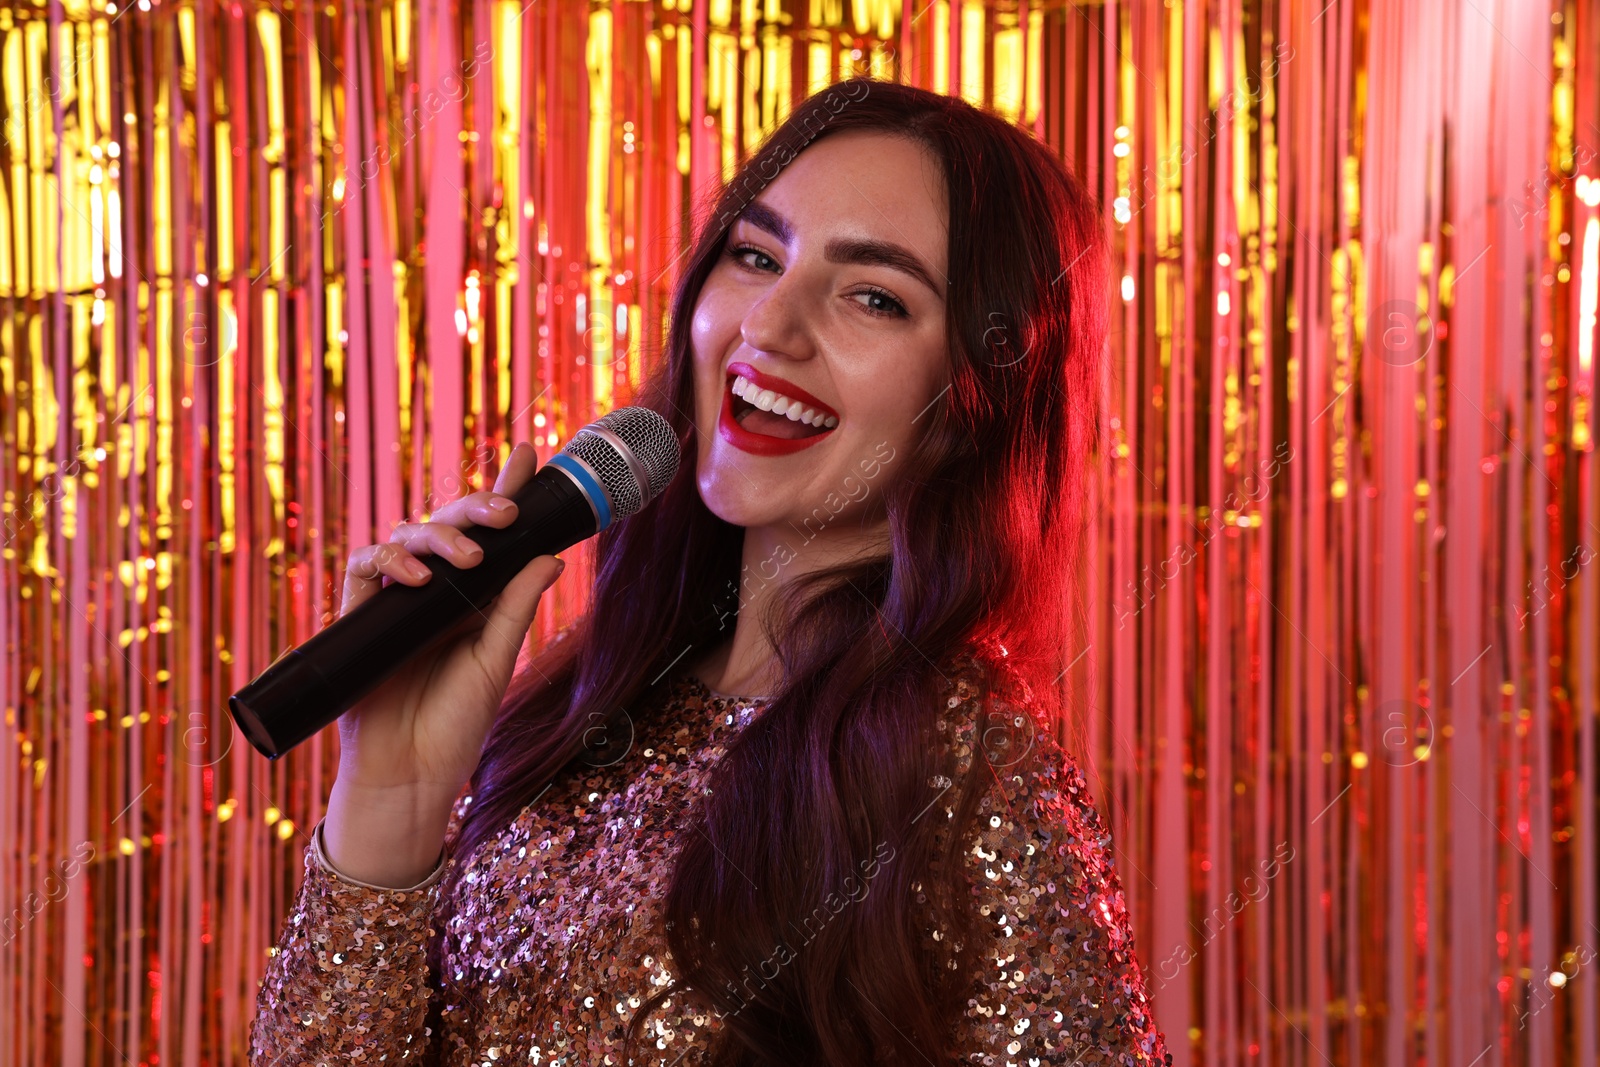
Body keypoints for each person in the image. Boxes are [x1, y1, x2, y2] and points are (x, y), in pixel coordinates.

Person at [248, 76, 1171, 1066]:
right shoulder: (576, 714)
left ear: (968, 403)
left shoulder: (970, 783)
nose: (769, 326)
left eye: (873, 295)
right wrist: (389, 802)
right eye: (755, 254)